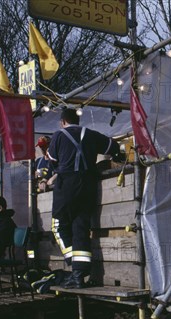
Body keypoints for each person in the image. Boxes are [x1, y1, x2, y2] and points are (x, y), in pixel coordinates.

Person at [47, 107, 124, 288]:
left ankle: (74, 266)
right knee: (80, 227)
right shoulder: (91, 134)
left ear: (62, 122)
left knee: (58, 226)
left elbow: (53, 161)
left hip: (66, 185)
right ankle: (79, 276)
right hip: (89, 185)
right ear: (78, 120)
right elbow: (113, 147)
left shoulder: (58, 135)